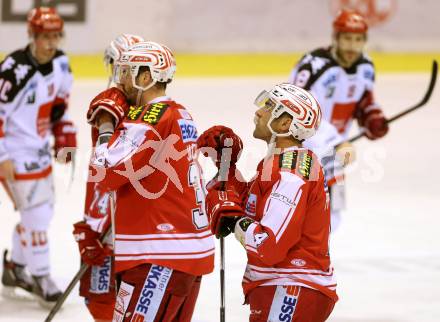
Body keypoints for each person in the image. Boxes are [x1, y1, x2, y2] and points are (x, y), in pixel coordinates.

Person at [74, 41, 215, 321]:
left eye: (127, 72)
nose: (120, 80)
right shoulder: (181, 112)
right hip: (185, 251)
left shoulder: (148, 117)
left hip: (158, 255)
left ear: (146, 77)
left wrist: (105, 123)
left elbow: (107, 170)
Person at [200, 83, 337, 321]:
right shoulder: (278, 164)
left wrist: (233, 221)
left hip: (292, 287)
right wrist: (225, 165)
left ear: (285, 124)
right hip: (285, 285)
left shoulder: (291, 174)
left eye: (270, 107)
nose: (259, 112)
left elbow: (268, 246)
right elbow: (245, 203)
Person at [0, 7, 76, 306]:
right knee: (37, 216)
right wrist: (3, 154)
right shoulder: (14, 69)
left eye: (56, 35)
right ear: (32, 35)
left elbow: (59, 105)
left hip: (40, 149)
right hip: (13, 151)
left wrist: (65, 135)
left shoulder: (60, 63)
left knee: (41, 212)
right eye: (45, 36)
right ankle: (42, 277)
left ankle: (15, 268)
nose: (51, 42)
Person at [288, 9, 389, 230]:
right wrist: (335, 142)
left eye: (358, 40)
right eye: (347, 39)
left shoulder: (366, 67)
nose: (353, 46)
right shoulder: (312, 65)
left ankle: (319, 263)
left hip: (335, 156)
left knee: (332, 216)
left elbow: (364, 100)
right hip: (303, 153)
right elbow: (299, 111)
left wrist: (372, 118)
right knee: (296, 216)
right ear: (336, 37)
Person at [74, 34, 144, 322]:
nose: (127, 74)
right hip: (110, 211)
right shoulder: (112, 102)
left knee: (123, 295)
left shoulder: (145, 107)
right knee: (104, 295)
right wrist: (95, 224)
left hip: (129, 216)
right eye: (123, 66)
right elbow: (105, 169)